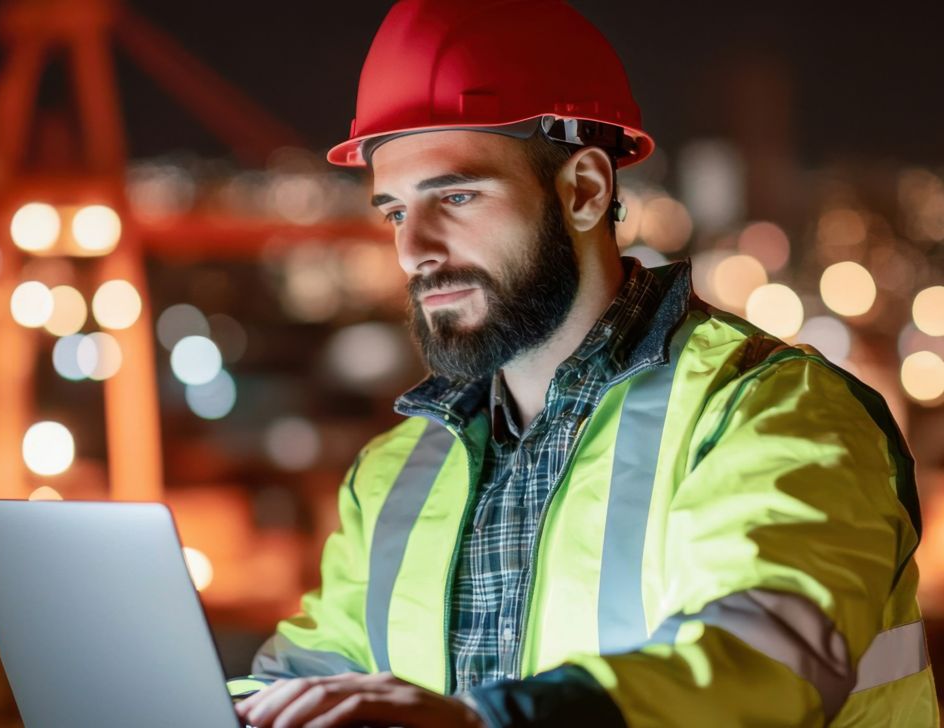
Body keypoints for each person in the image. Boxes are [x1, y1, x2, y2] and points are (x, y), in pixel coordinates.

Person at [234, 1, 938, 726]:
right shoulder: (395, 475)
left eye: (456, 196)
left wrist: (485, 724)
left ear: (585, 191)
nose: (415, 249)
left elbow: (754, 666)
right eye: (395, 212)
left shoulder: (771, 416)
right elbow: (301, 682)